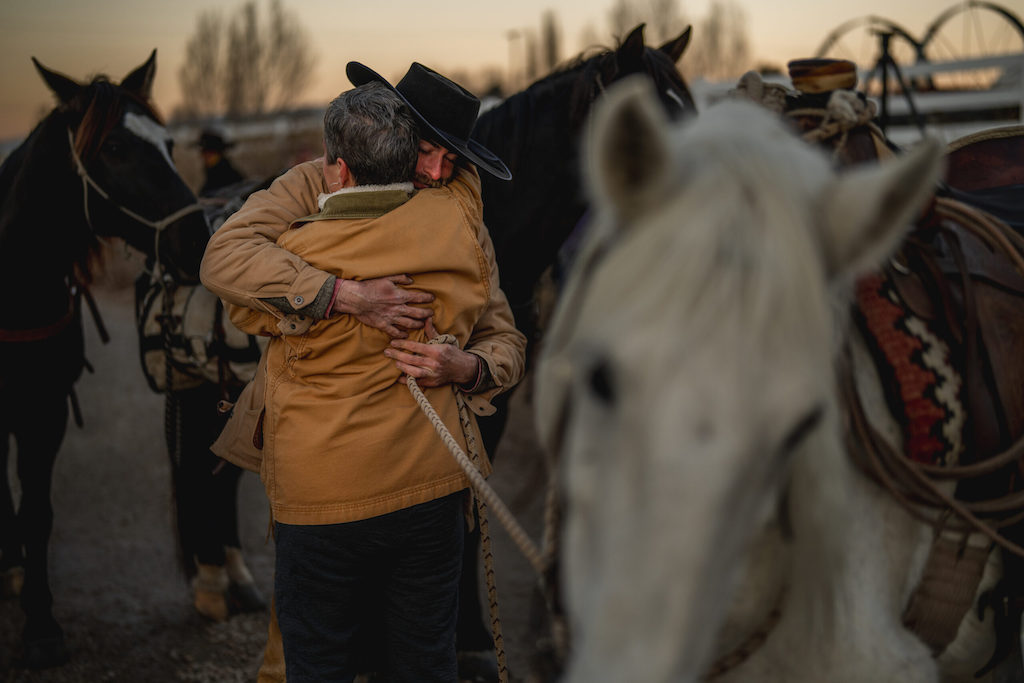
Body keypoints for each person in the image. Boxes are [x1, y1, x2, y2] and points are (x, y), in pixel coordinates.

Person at [202, 66, 525, 681]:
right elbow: (226, 260)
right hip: (357, 489)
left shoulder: (456, 217)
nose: (433, 173)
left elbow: (504, 334)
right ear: (397, 139)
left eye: (449, 160)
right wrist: (343, 295)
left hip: (400, 487)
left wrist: (470, 364)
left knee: (395, 659)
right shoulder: (312, 189)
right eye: (427, 152)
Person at [195, 129, 246, 197]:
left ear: (219, 154)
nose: (204, 158)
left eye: (209, 155)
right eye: (204, 154)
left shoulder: (230, 176)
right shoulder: (211, 177)